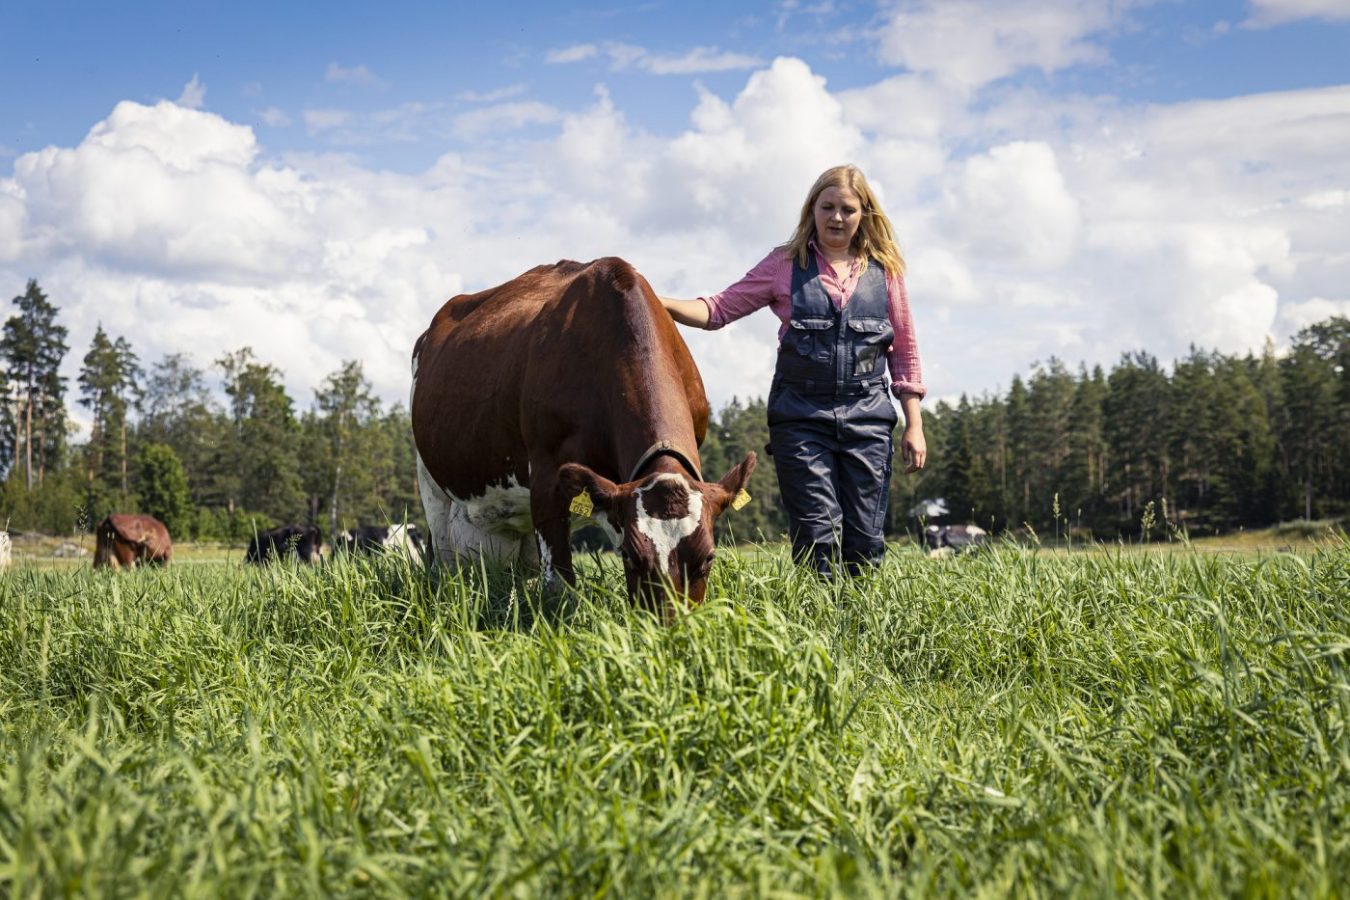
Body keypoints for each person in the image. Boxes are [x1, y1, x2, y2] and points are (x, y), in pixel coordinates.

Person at [660, 164, 926, 577]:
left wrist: (914, 424)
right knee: (817, 535)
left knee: (865, 540)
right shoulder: (784, 264)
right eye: (828, 207)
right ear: (812, 209)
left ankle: (858, 627)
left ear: (864, 214)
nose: (837, 217)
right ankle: (818, 628)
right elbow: (717, 310)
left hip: (869, 418)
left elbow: (905, 352)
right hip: (801, 418)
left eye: (848, 209)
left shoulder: (885, 271)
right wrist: (655, 301)